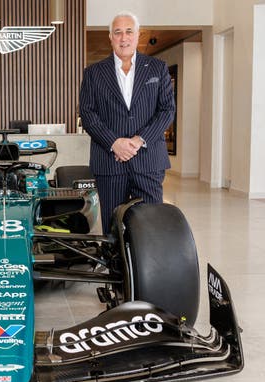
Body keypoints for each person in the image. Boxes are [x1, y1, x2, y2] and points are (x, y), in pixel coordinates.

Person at [79, 11, 175, 234]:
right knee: (113, 228)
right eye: (118, 32)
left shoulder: (157, 68)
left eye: (129, 31)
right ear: (110, 37)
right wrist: (115, 143)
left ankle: (148, 268)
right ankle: (116, 269)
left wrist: (139, 140)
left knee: (151, 225)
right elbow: (88, 114)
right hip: (109, 161)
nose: (124, 38)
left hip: (148, 161)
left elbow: (167, 111)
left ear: (138, 35)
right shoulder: (93, 73)